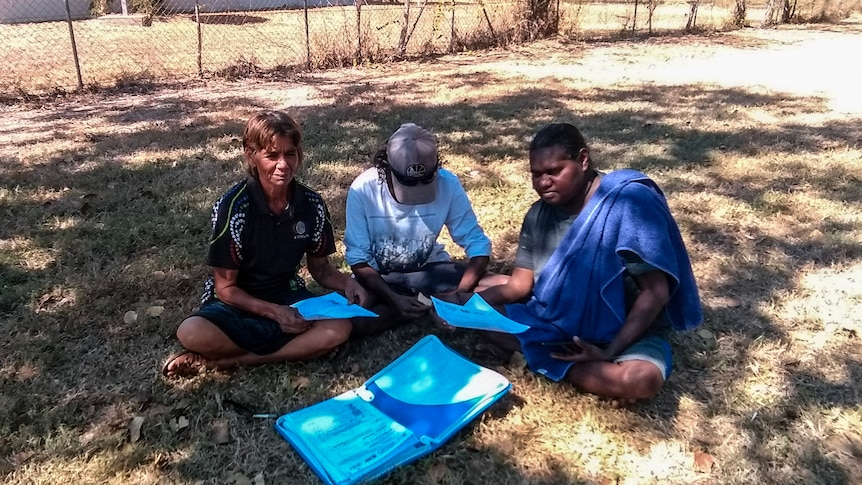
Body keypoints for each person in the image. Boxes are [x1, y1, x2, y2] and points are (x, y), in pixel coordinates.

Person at [444, 122, 702, 406]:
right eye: (536, 174)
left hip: (626, 331)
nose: (543, 182)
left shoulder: (627, 203)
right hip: (557, 321)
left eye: (554, 171)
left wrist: (608, 352)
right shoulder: (538, 215)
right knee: (486, 318)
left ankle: (560, 363)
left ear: (583, 159)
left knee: (641, 380)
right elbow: (519, 286)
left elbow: (656, 294)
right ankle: (583, 372)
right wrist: (464, 307)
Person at [162, 110, 368, 378]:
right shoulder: (233, 208)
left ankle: (226, 361)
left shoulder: (312, 205)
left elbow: (321, 269)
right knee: (192, 332)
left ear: (299, 154)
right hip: (237, 302)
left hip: (287, 293)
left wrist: (348, 283)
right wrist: (274, 313)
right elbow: (225, 288)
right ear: (251, 156)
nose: (283, 164)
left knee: (340, 328)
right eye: (272, 155)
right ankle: (292, 348)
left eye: (290, 154)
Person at [344, 123, 502, 338]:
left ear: (436, 168)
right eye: (408, 183)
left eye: (426, 181)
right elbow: (358, 259)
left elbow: (477, 244)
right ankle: (424, 305)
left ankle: (429, 304)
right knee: (351, 319)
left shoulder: (448, 184)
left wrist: (459, 293)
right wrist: (392, 297)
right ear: (385, 167)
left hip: (431, 271)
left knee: (507, 285)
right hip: (381, 279)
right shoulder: (363, 189)